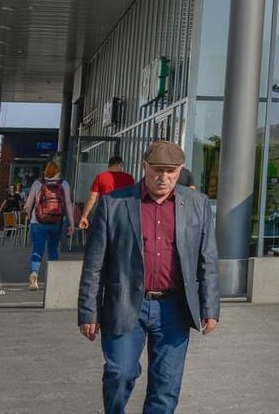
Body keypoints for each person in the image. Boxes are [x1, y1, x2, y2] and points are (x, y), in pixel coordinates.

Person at [76, 140, 220, 414]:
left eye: (171, 171)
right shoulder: (114, 204)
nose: (163, 178)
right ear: (144, 167)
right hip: (126, 302)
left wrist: (210, 307)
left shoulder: (197, 205)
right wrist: (88, 312)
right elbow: (94, 264)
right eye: (157, 170)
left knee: (166, 385)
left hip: (175, 309)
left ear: (180, 170)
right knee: (120, 373)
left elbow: (208, 259)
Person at [25, 159, 75, 290]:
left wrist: (27, 214)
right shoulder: (64, 184)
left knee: (37, 250)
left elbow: (28, 204)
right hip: (56, 222)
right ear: (57, 171)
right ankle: (53, 280)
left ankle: (34, 273)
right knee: (53, 250)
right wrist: (71, 223)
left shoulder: (37, 183)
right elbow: (69, 204)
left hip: (38, 222)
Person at [81, 156, 136, 231]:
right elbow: (133, 197)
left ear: (109, 165)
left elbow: (92, 198)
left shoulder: (101, 177)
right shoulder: (129, 178)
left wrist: (84, 216)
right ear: (120, 165)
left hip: (104, 213)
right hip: (122, 214)